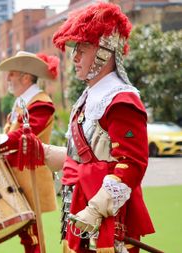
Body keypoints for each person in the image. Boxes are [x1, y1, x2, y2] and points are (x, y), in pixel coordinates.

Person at [42, 2, 155, 252]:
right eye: (74, 48)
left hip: (109, 218)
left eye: (84, 47)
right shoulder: (87, 98)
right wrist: (46, 154)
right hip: (77, 211)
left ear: (105, 51)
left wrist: (95, 209)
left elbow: (132, 164)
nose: (75, 57)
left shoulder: (121, 100)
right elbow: (90, 156)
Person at [0, 51, 60, 253]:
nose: (7, 78)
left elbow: (25, 136)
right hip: (17, 177)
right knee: (26, 236)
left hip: (31, 178)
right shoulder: (24, 102)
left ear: (26, 77)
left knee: (32, 236)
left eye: (11, 73)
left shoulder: (41, 102)